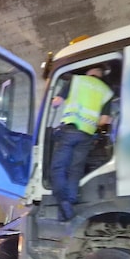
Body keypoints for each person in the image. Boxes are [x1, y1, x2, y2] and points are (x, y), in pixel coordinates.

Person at [50, 65, 114, 221]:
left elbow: (56, 103)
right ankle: (70, 202)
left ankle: (63, 202)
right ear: (100, 75)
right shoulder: (107, 92)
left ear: (89, 72)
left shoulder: (76, 81)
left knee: (58, 167)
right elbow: (104, 121)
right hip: (87, 134)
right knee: (75, 169)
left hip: (70, 129)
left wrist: (54, 99)